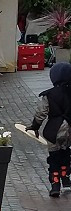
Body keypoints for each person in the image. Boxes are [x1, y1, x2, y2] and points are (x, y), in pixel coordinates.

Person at [26, 61, 71, 197]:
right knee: (65, 153)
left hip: (54, 130)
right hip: (69, 128)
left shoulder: (49, 95)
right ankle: (66, 178)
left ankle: (55, 184)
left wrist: (35, 126)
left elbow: (41, 113)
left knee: (54, 157)